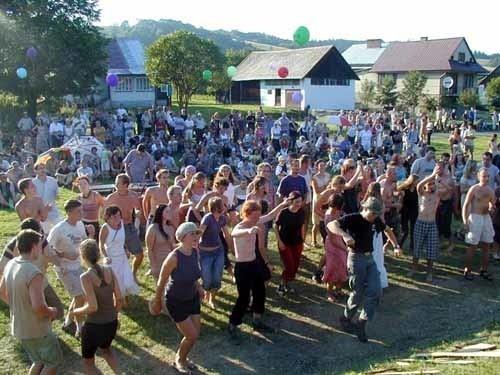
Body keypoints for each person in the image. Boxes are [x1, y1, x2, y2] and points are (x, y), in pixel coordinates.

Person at [328, 197, 401, 342]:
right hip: (356, 259)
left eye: (376, 214)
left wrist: (396, 245)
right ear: (365, 209)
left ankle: (362, 322)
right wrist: (345, 235)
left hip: (370, 259)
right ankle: (346, 318)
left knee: (376, 290)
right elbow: (331, 224)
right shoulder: (353, 218)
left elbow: (387, 230)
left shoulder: (375, 221)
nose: (374, 217)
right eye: (372, 213)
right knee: (358, 292)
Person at [0, 229, 63, 375]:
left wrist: (19, 307)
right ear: (34, 246)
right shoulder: (33, 273)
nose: (42, 249)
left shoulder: (10, 265)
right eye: (40, 245)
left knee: (38, 361)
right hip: (38, 330)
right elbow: (39, 307)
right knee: (52, 364)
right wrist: (51, 312)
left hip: (19, 328)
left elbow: (1, 291)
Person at [228, 199, 291, 339]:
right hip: (242, 267)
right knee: (243, 298)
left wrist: (283, 204)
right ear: (246, 214)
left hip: (254, 264)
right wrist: (249, 230)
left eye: (258, 216)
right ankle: (233, 323)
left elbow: (270, 215)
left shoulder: (256, 221)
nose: (257, 219)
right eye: (255, 216)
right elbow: (234, 234)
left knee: (260, 292)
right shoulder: (240, 226)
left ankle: (257, 320)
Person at [150, 222, 204, 374]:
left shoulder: (195, 252)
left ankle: (183, 357)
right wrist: (157, 302)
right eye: (192, 234)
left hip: (192, 297)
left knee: (195, 334)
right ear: (182, 237)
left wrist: (199, 287)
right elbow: (161, 281)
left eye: (196, 233)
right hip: (175, 301)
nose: (195, 236)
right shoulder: (173, 257)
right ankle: (179, 360)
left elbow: (193, 274)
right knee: (191, 335)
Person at [69, 239, 121, 374]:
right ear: (98, 254)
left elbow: (93, 307)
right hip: (111, 323)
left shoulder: (85, 277)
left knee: (88, 362)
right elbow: (119, 298)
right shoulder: (110, 271)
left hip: (94, 327)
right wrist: (114, 314)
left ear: (83, 257)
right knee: (107, 350)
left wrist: (75, 311)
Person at [0, 219, 65, 321]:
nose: (41, 235)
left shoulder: (41, 240)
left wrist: (60, 265)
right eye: (39, 232)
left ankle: (45, 324)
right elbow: (2, 270)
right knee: (36, 313)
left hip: (43, 283)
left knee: (59, 311)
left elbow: (51, 254)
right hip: (24, 289)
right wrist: (14, 304)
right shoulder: (12, 246)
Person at [48, 199, 95, 337]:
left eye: (81, 210)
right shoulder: (59, 229)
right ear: (69, 213)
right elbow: (47, 248)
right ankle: (80, 329)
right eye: (78, 211)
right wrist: (63, 254)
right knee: (80, 296)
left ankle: (68, 321)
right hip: (64, 268)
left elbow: (85, 243)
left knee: (79, 296)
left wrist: (91, 235)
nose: (81, 213)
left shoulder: (80, 224)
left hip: (78, 266)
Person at [104, 174, 144, 282]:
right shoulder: (111, 198)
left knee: (139, 255)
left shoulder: (133, 196)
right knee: (122, 256)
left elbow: (137, 209)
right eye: (116, 182)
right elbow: (104, 216)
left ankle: (133, 273)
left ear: (125, 185)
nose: (115, 184)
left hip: (129, 227)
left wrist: (137, 213)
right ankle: (119, 278)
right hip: (115, 228)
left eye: (118, 182)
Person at [99, 205, 140, 306]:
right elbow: (101, 244)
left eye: (118, 216)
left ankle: (125, 298)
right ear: (108, 217)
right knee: (116, 282)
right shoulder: (105, 228)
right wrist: (105, 256)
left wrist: (126, 249)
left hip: (122, 257)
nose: (117, 218)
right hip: (111, 259)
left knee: (126, 279)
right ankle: (117, 300)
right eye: (114, 216)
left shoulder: (121, 223)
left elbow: (122, 240)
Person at [198, 197, 233, 309]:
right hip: (205, 253)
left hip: (218, 251)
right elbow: (200, 233)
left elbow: (226, 234)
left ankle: (212, 299)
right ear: (217, 207)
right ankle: (206, 293)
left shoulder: (222, 218)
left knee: (217, 277)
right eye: (223, 205)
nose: (225, 207)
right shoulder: (207, 218)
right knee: (207, 278)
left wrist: (232, 248)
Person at [462, 168, 496, 281]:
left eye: (487, 176)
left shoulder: (490, 190)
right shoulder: (474, 189)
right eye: (484, 176)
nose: (486, 178)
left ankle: (484, 270)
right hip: (475, 217)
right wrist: (465, 221)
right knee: (472, 245)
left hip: (486, 218)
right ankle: (467, 270)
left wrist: (491, 208)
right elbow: (466, 205)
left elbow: (493, 204)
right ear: (479, 176)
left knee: (487, 244)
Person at [410, 166, 441, 282]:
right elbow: (418, 185)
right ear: (426, 185)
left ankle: (429, 272)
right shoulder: (422, 193)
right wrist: (432, 175)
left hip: (432, 224)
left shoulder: (437, 194)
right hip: (420, 222)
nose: (432, 186)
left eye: (433, 184)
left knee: (431, 249)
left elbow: (450, 187)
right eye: (430, 184)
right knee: (417, 247)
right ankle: (414, 268)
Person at [275, 191, 306, 295]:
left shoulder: (302, 212)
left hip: (297, 242)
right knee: (289, 266)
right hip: (285, 242)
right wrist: (279, 241)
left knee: (296, 265)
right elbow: (275, 226)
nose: (299, 204)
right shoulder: (284, 212)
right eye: (297, 201)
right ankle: (281, 284)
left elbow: (302, 225)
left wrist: (303, 239)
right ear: (291, 201)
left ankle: (287, 284)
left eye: (300, 201)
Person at [322, 194, 348, 302]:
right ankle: (329, 292)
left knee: (342, 266)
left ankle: (339, 289)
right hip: (333, 245)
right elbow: (332, 238)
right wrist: (345, 248)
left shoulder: (336, 212)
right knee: (332, 268)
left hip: (340, 241)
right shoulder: (329, 216)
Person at [145, 204, 175, 279]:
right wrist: (153, 266)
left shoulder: (170, 228)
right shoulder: (153, 229)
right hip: (158, 262)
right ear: (161, 213)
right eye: (167, 212)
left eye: (170, 211)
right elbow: (149, 249)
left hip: (170, 261)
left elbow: (172, 247)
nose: (170, 213)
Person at [32, 163, 61, 233]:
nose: (43, 170)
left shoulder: (52, 180)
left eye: (43, 168)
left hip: (53, 210)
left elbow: (57, 196)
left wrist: (57, 195)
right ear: (35, 171)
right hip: (40, 213)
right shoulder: (32, 183)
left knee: (60, 229)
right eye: (40, 168)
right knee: (45, 233)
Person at [77, 176, 105, 243]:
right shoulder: (78, 197)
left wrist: (101, 214)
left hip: (94, 223)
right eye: (80, 184)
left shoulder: (96, 195)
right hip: (83, 223)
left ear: (88, 185)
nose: (82, 186)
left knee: (95, 244)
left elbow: (105, 205)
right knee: (84, 244)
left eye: (84, 183)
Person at [311, 160, 331, 247]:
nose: (322, 167)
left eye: (323, 165)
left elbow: (330, 186)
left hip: (326, 200)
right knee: (316, 222)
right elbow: (316, 190)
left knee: (325, 220)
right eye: (320, 165)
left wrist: (327, 187)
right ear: (317, 167)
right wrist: (326, 187)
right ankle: (313, 240)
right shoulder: (314, 178)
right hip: (318, 199)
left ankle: (324, 238)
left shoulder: (328, 175)